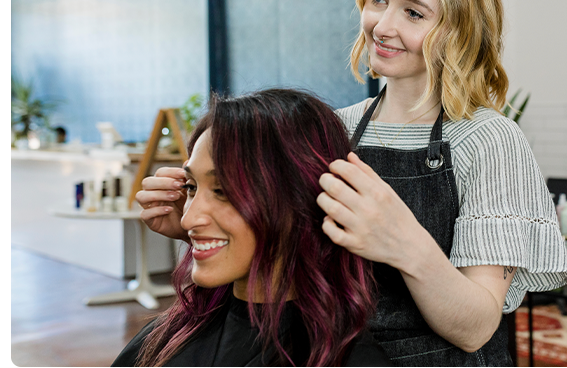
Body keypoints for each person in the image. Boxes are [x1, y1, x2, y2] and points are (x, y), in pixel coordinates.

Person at [136, 0, 567, 367]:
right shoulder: (337, 128)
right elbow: (289, 257)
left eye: (414, 13)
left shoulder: (488, 141)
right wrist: (202, 224)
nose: (382, 26)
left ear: (460, 28)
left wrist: (406, 243)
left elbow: (477, 328)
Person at [116, 89, 392, 368]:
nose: (187, 221)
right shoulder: (168, 338)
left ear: (300, 199)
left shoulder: (352, 360)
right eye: (191, 187)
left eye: (223, 190)